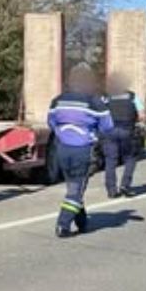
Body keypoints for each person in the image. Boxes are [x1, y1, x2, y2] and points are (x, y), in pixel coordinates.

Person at [47, 63, 114, 238]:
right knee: (76, 190)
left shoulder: (57, 100)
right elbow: (108, 126)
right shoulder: (95, 102)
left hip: (61, 149)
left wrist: (64, 133)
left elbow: (51, 122)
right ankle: (63, 224)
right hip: (82, 150)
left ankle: (82, 222)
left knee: (73, 186)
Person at [102, 73, 144, 198]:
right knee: (130, 158)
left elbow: (99, 113)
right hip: (127, 130)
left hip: (110, 131)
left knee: (110, 160)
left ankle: (111, 190)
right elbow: (142, 115)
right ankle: (125, 185)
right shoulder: (132, 96)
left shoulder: (106, 97)